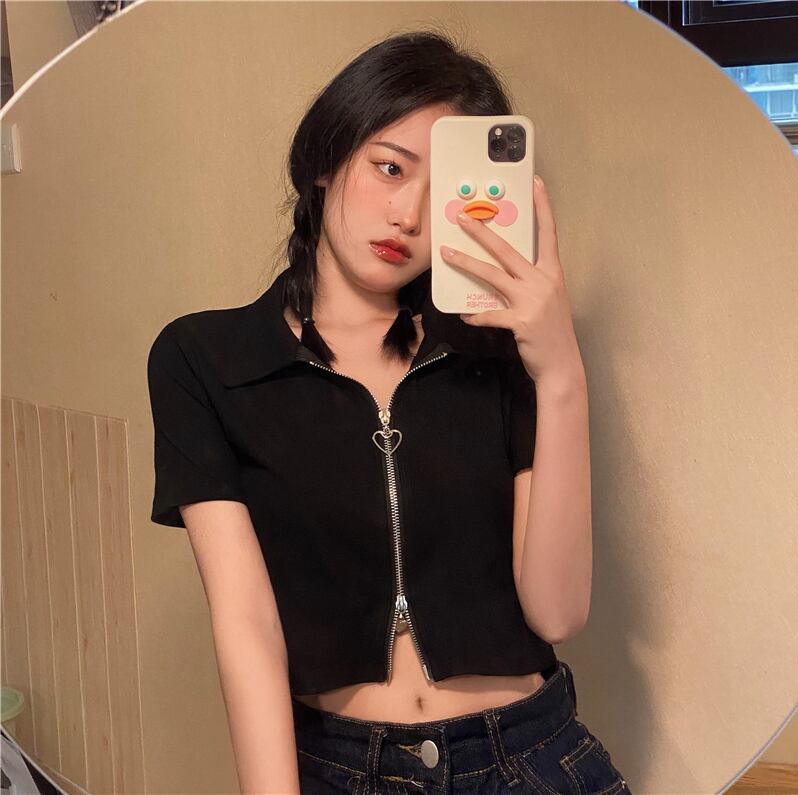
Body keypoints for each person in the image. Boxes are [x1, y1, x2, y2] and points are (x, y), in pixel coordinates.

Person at [146, 27, 632, 795]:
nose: (408, 214)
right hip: (341, 768)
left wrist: (560, 371)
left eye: (443, 192)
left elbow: (557, 611)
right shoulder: (204, 359)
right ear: (324, 157)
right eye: (390, 167)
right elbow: (247, 626)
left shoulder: (497, 352)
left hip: (529, 759)